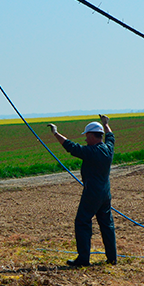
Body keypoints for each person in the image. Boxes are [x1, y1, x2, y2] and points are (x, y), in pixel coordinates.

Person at [48, 114, 117, 267]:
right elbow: (111, 136)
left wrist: (55, 133)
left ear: (93, 135)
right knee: (107, 224)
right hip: (105, 193)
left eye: (86, 135)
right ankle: (112, 258)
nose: (85, 139)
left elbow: (71, 147)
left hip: (92, 193)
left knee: (82, 222)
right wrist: (105, 124)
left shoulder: (91, 152)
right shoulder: (108, 149)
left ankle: (83, 259)